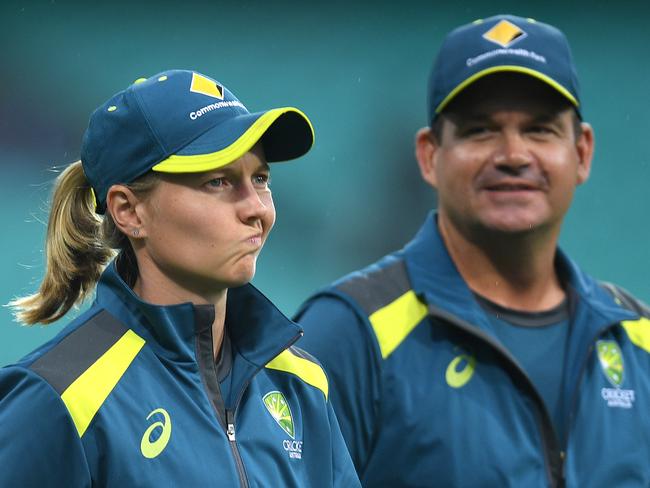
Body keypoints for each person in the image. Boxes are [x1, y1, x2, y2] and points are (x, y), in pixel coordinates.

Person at [295, 14, 650, 487]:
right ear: (429, 155)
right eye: (480, 130)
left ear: (582, 153)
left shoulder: (638, 341)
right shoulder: (348, 334)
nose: (513, 154)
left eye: (540, 129)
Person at [0, 69, 360, 487]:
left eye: (260, 179)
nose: (256, 209)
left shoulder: (302, 384)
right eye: (218, 181)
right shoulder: (59, 398)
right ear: (129, 211)